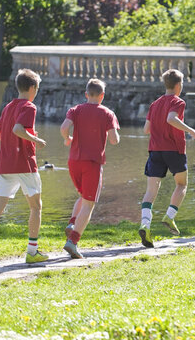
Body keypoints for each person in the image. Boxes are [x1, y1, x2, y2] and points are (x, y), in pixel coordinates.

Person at [0, 69, 48, 271]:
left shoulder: (8, 107)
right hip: (25, 164)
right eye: (36, 88)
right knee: (36, 207)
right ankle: (32, 252)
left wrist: (25, 134)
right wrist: (36, 139)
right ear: (32, 88)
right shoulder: (29, 107)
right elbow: (17, 130)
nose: (36, 91)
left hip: (5, 164)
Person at [138, 69, 195, 248]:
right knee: (181, 184)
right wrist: (191, 131)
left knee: (151, 190)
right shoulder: (178, 101)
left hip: (155, 151)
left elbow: (146, 130)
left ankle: (145, 224)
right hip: (174, 150)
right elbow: (171, 119)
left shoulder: (155, 104)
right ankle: (170, 216)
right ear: (179, 85)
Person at [60, 78, 120, 259]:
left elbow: (64, 128)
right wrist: (115, 134)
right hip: (92, 163)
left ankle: (72, 223)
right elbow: (114, 140)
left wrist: (67, 138)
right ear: (102, 96)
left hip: (73, 161)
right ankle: (73, 241)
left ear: (86, 94)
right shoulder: (107, 113)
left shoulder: (75, 110)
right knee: (89, 203)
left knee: (83, 196)